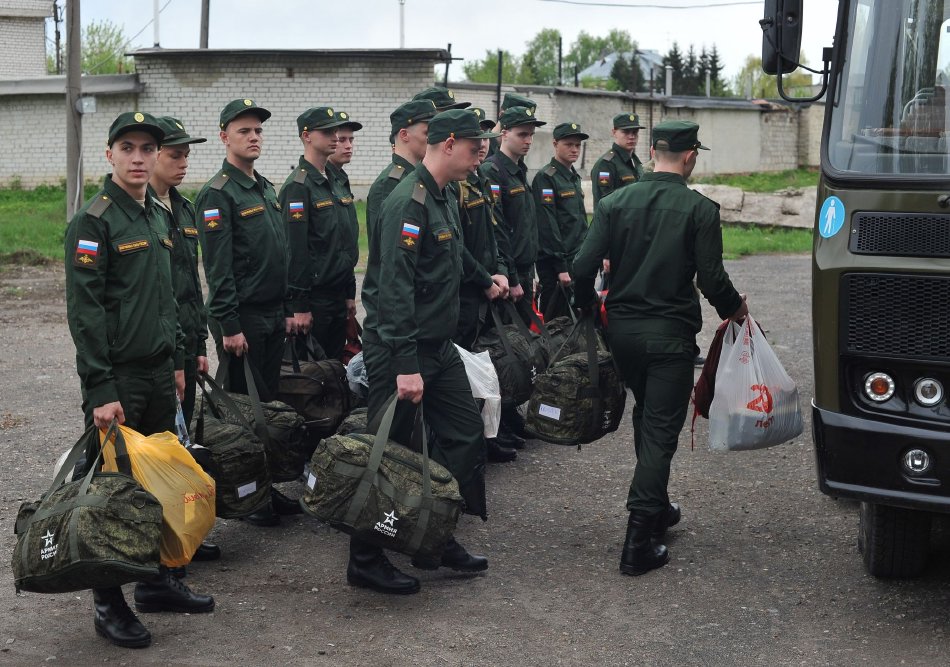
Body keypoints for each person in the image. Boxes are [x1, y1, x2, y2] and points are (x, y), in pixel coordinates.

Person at [572, 120, 749, 577]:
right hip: (669, 338)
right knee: (661, 430)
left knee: (647, 414)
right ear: (690, 157)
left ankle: (657, 507)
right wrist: (736, 311)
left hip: (624, 335)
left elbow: (582, 263)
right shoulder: (699, 209)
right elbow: (711, 279)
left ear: (653, 152)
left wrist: (588, 307)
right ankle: (637, 541)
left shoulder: (614, 202)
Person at [65, 111, 214, 649]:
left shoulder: (155, 215)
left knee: (158, 483)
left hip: (157, 373)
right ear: (110, 154)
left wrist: (176, 359)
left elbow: (169, 298)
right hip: (119, 380)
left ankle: (158, 580)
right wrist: (100, 390)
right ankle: (109, 602)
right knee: (113, 492)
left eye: (146, 149)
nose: (137, 157)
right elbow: (85, 314)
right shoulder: (95, 221)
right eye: (127, 147)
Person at [354, 109, 498, 595]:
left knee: (463, 436)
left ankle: (435, 535)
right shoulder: (407, 202)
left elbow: (455, 258)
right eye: (475, 145)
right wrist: (405, 366)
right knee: (389, 454)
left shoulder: (443, 196)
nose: (481, 153)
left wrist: (487, 279)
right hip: (402, 351)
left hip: (439, 349)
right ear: (449, 143)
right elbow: (393, 290)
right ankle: (365, 557)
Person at [195, 98, 296, 526]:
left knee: (267, 406)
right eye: (244, 131)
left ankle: (265, 488)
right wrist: (230, 325)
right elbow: (218, 271)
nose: (253, 137)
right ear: (224, 137)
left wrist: (288, 307)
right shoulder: (218, 194)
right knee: (242, 413)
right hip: (244, 319)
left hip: (272, 314)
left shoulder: (263, 187)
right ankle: (246, 497)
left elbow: (279, 254)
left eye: (257, 131)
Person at [150, 115, 221, 566]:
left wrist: (198, 346)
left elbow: (191, 288)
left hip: (185, 343)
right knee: (158, 449)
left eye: (186, 154)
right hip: (158, 350)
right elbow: (160, 297)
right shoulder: (141, 213)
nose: (182, 162)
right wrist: (177, 353)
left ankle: (183, 534)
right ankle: (158, 543)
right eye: (175, 154)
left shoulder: (185, 208)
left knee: (181, 447)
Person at [454, 107, 513, 463]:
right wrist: (484, 278)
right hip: (468, 291)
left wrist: (501, 271)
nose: (482, 147)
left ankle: (487, 434)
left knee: (483, 366)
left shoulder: (476, 181)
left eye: (486, 139)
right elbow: (457, 246)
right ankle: (474, 441)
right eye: (476, 139)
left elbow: (495, 234)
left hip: (487, 286)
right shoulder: (457, 185)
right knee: (465, 372)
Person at [280, 107, 358, 361]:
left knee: (336, 371)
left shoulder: (336, 181)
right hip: (316, 300)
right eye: (327, 131)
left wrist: (349, 294)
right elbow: (295, 250)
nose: (335, 136)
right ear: (307, 136)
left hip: (337, 296)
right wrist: (299, 306)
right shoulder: (298, 186)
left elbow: (344, 243)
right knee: (315, 376)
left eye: (335, 130)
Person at [532, 122, 589, 320]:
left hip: (576, 259)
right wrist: (561, 267)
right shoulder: (546, 178)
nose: (575, 149)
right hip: (556, 265)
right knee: (556, 322)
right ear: (555, 144)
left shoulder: (574, 177)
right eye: (569, 144)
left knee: (577, 321)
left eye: (578, 145)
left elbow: (578, 221)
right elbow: (548, 226)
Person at [590, 112, 646, 206]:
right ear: (614, 132)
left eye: (635, 132)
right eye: (626, 132)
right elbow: (606, 202)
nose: (631, 136)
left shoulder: (635, 162)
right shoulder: (606, 164)